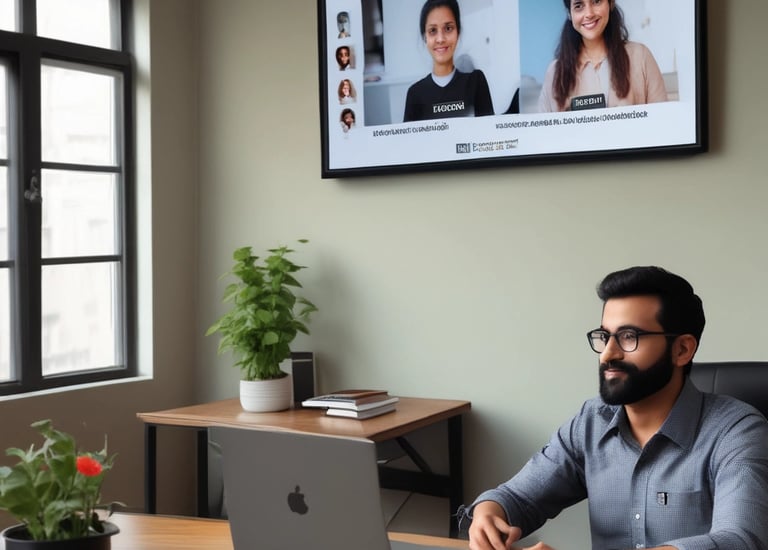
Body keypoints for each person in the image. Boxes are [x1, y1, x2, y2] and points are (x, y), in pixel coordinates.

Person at [463, 266, 768, 549]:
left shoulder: (738, 431)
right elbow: (517, 497)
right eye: (604, 336)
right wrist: (490, 511)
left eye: (629, 337)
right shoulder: (591, 421)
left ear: (682, 349)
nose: (608, 354)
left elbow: (739, 539)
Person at [538, 0, 667, 112]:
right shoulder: (555, 73)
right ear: (569, 14)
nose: (589, 14)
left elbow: (662, 122)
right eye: (578, 5)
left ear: (611, 3)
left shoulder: (641, 57)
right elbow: (544, 135)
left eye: (596, 1)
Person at [403, 0, 494, 122]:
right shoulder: (415, 94)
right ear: (425, 37)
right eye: (433, 31)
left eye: (448, 28)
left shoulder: (476, 82)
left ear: (458, 32)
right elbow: (409, 141)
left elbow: (488, 136)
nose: (440, 39)